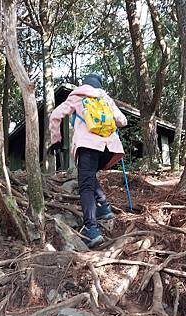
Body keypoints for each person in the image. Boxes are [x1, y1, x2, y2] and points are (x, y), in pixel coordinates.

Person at [49, 74, 128, 248]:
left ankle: (91, 229)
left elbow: (55, 115)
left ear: (84, 84)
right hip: (109, 149)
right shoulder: (105, 98)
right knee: (89, 176)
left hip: (87, 148)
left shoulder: (77, 96)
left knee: (85, 185)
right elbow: (123, 121)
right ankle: (103, 207)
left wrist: (56, 140)